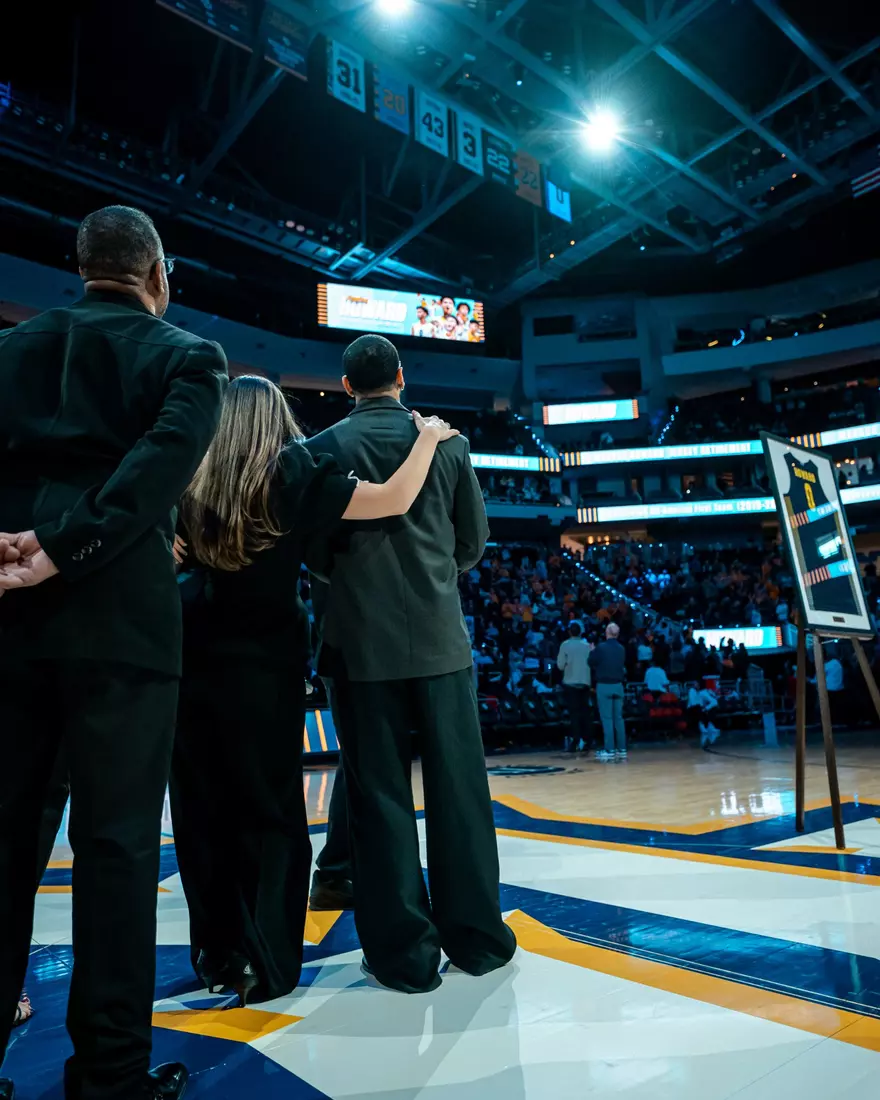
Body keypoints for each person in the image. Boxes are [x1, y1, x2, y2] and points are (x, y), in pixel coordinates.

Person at [0, 205, 228, 1100]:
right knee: (117, 851)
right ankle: (108, 1077)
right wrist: (66, 545)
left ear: (81, 266)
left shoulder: (12, 350)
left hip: (9, 622)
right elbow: (155, 473)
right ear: (158, 275)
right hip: (122, 632)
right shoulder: (188, 357)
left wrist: (18, 547)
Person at [171, 376, 459, 1006]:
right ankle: (270, 966)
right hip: (266, 672)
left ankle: (217, 954)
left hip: (188, 668)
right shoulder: (293, 477)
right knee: (272, 815)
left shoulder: (186, 475)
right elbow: (391, 498)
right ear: (275, 419)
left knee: (199, 815)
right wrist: (430, 440)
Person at [306, 334, 517, 994]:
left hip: (358, 647)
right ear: (402, 378)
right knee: (460, 794)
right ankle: (478, 941)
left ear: (345, 387)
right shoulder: (450, 444)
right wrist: (433, 575)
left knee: (379, 801)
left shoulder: (320, 450)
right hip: (440, 644)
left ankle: (404, 957)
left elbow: (311, 552)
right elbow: (474, 542)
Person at [589, 622, 627, 761]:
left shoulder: (601, 648)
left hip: (604, 685)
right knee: (619, 718)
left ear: (607, 633)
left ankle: (609, 749)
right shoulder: (622, 648)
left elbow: (591, 662)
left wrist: (592, 651)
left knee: (607, 718)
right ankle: (622, 748)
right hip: (618, 685)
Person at [556, 621, 592, 752]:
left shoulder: (565, 645)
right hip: (585, 682)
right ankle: (588, 740)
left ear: (570, 632)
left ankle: (575, 740)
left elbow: (560, 665)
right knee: (585, 713)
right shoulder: (587, 645)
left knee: (574, 714)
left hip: (570, 683)